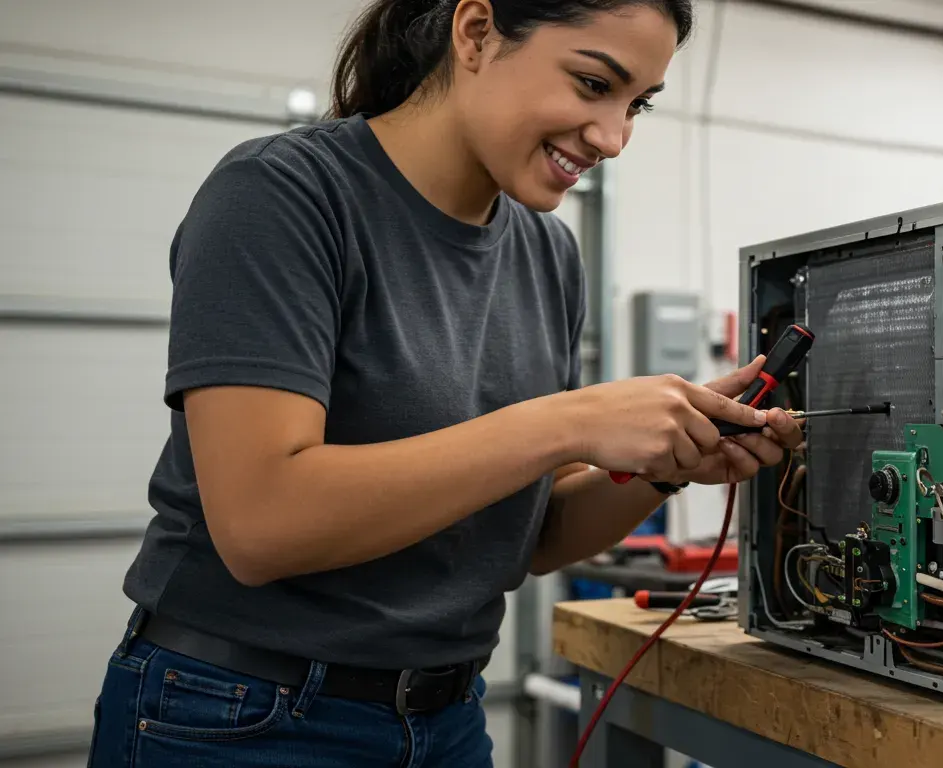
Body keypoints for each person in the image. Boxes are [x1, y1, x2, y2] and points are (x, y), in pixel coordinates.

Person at [85, 0, 801, 765]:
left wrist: (663, 468)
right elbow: (262, 526)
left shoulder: (547, 254)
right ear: (475, 32)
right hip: (239, 718)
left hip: (445, 719)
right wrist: (568, 421)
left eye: (637, 106)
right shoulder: (283, 194)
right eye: (594, 84)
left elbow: (530, 536)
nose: (614, 137)